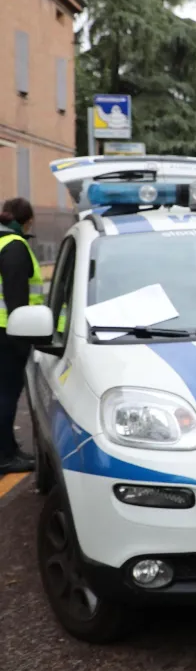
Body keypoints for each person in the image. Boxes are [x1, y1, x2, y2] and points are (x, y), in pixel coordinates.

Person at [0, 197, 42, 474]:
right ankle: (5, 456)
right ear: (27, 220)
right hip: (8, 333)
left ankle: (9, 449)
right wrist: (23, 339)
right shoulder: (14, 246)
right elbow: (16, 300)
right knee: (6, 395)